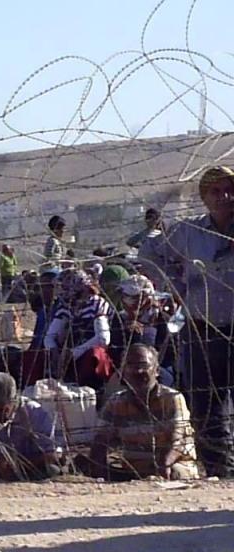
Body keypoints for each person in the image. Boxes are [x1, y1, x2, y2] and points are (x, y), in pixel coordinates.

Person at [143, 166, 234, 477]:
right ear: (205, 198)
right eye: (216, 191)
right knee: (206, 403)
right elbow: (148, 253)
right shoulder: (190, 232)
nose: (225, 197)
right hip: (201, 326)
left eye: (230, 190)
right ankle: (220, 469)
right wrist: (176, 284)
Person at [88, 344, 199, 481]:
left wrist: (165, 464)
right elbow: (100, 441)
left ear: (157, 371)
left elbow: (177, 439)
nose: (138, 371)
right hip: (134, 472)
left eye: (144, 365)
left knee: (175, 473)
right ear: (123, 372)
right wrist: (98, 467)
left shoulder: (171, 398)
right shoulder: (116, 402)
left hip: (175, 466)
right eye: (130, 365)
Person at [44, 269, 114, 394]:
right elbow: (50, 335)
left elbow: (103, 338)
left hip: (88, 351)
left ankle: (94, 388)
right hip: (69, 351)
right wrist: (53, 350)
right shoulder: (66, 305)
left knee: (95, 354)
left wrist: (74, 353)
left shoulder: (97, 304)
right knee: (40, 355)